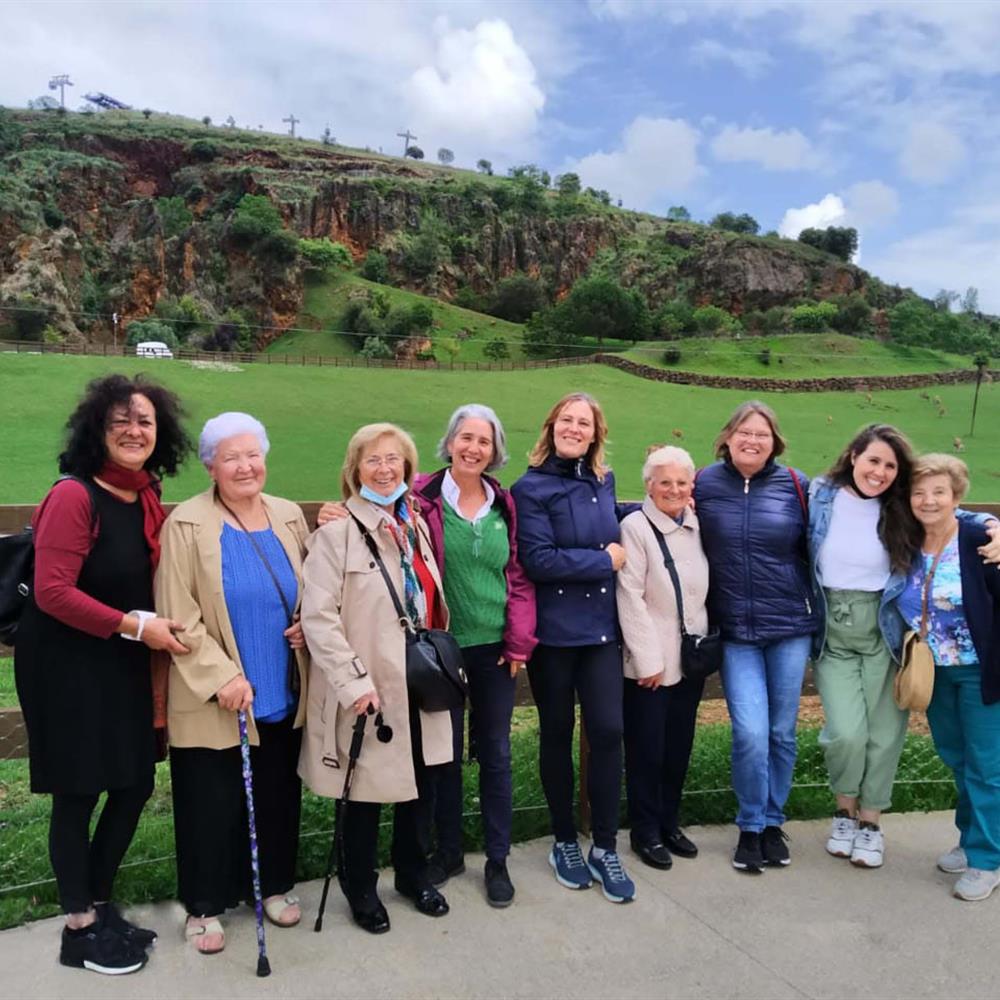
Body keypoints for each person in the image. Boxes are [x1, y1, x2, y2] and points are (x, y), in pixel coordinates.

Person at [13, 373, 190, 975]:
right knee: (78, 791)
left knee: (135, 782)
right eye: (120, 421)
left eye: (144, 421)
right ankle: (79, 927)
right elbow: (52, 593)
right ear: (98, 430)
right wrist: (137, 627)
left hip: (117, 661)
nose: (134, 430)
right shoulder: (74, 496)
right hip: (65, 665)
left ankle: (98, 901)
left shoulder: (143, 494)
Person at [808, 426, 1000, 869]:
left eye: (890, 466)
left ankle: (884, 828)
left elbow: (959, 516)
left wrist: (992, 523)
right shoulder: (833, 500)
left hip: (930, 647)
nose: (879, 472)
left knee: (911, 743)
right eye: (873, 460)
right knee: (856, 736)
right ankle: (850, 814)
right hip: (881, 647)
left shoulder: (938, 524)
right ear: (853, 455)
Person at [155, 413, 309, 954]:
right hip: (218, 693)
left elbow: (310, 589)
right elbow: (178, 613)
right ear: (210, 466)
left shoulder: (289, 516)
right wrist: (222, 675)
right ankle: (204, 905)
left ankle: (270, 886)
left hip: (281, 686)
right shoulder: (188, 524)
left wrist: (303, 622)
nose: (245, 466)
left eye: (253, 455)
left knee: (276, 794)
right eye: (231, 457)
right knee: (209, 802)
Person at [299, 423, 453, 934]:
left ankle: (412, 873)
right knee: (362, 792)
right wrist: (352, 683)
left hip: (418, 678)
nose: (385, 470)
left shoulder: (417, 529)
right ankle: (360, 887)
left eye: (395, 461)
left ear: (408, 469)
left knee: (420, 784)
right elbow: (318, 618)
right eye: (373, 461)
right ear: (354, 470)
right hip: (369, 685)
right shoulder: (336, 534)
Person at [511, 392, 636, 903]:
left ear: (595, 433)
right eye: (567, 419)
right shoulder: (530, 486)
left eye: (584, 423)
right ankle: (564, 838)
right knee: (557, 734)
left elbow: (612, 522)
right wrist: (603, 562)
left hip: (602, 632)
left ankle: (605, 845)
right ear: (552, 426)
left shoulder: (604, 482)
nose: (575, 428)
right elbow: (539, 560)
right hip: (555, 636)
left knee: (608, 732)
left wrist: (663, 505)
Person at [413, 405, 537, 907]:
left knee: (496, 755)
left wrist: (519, 641)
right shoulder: (420, 497)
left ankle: (498, 860)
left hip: (495, 651)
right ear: (449, 443)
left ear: (495, 451)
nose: (473, 448)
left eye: (484, 442)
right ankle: (447, 852)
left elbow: (521, 576)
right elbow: (368, 509)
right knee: (442, 758)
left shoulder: (504, 504)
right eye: (466, 438)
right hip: (442, 649)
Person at [694, 400, 819, 873]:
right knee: (749, 733)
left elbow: (833, 534)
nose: (752, 440)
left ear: (775, 442)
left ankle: (771, 822)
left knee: (781, 732)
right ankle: (749, 825)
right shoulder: (703, 483)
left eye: (761, 434)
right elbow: (659, 509)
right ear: (727, 437)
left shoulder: (795, 485)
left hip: (789, 627)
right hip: (736, 631)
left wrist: (979, 521)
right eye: (744, 431)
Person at [893, 455, 1000, 901]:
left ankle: (986, 860)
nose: (928, 500)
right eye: (919, 492)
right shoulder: (907, 540)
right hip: (934, 671)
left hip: (981, 670)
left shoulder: (980, 536)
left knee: (987, 767)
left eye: (939, 491)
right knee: (956, 757)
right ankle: (970, 836)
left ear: (956, 496)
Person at [616, 445, 709, 870]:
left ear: (692, 487)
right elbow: (630, 595)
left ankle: (670, 821)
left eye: (681, 482)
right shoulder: (636, 527)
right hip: (651, 662)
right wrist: (647, 659)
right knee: (647, 749)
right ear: (649, 486)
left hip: (690, 657)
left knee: (678, 745)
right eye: (664, 482)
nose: (673, 489)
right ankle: (646, 830)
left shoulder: (697, 524)